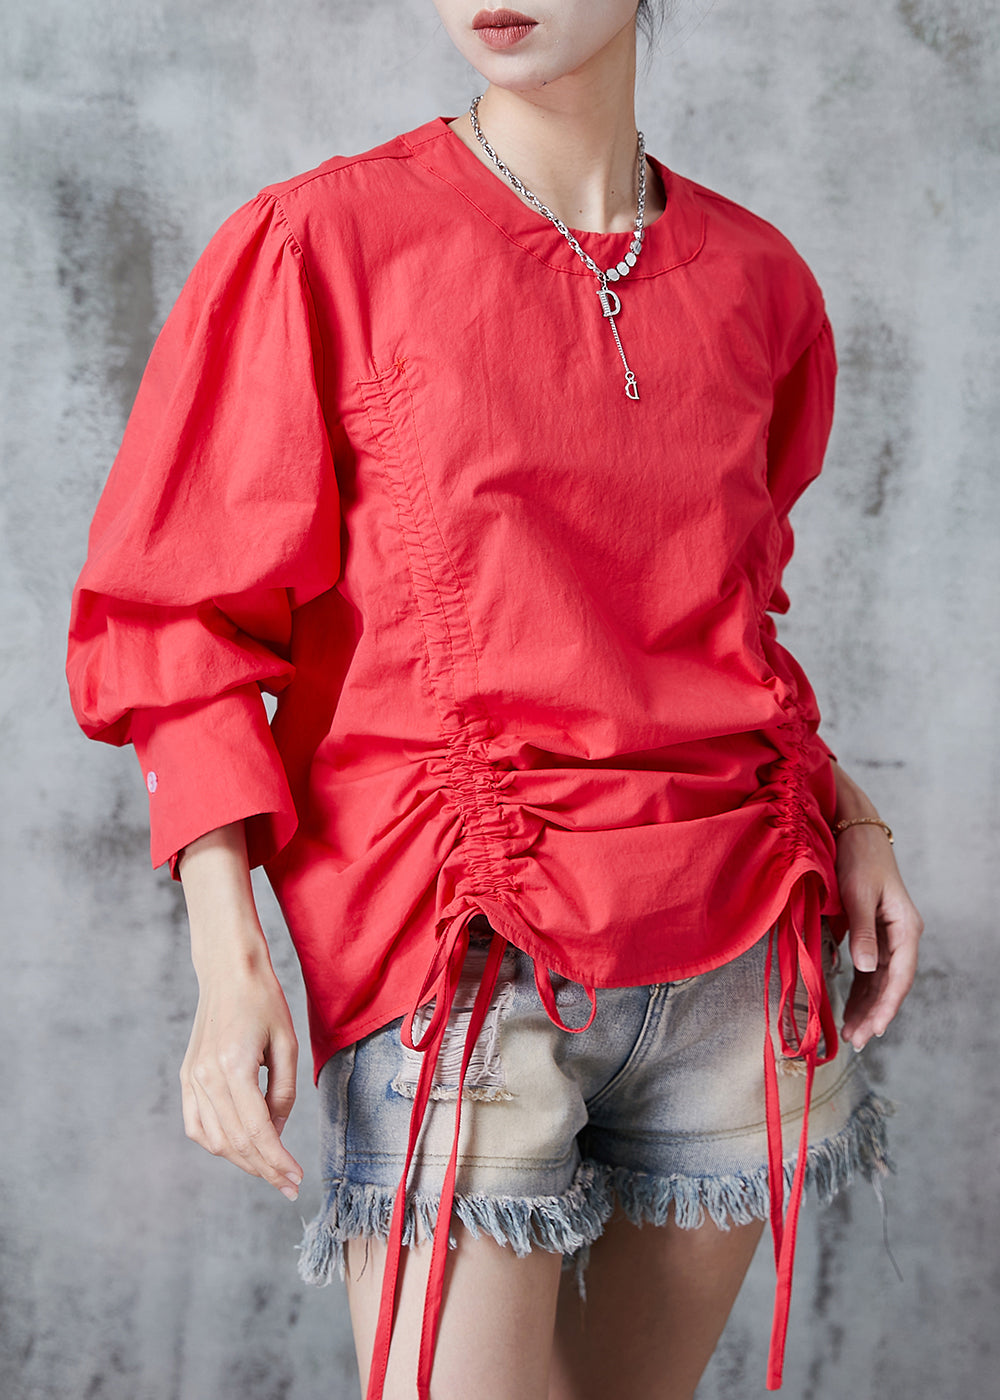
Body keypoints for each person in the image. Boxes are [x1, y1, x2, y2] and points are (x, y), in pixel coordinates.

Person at [66, 3, 924, 1397]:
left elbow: (728, 623)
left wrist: (855, 816)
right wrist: (231, 964)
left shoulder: (762, 282)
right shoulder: (322, 244)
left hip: (738, 947)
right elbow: (183, 625)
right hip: (460, 954)